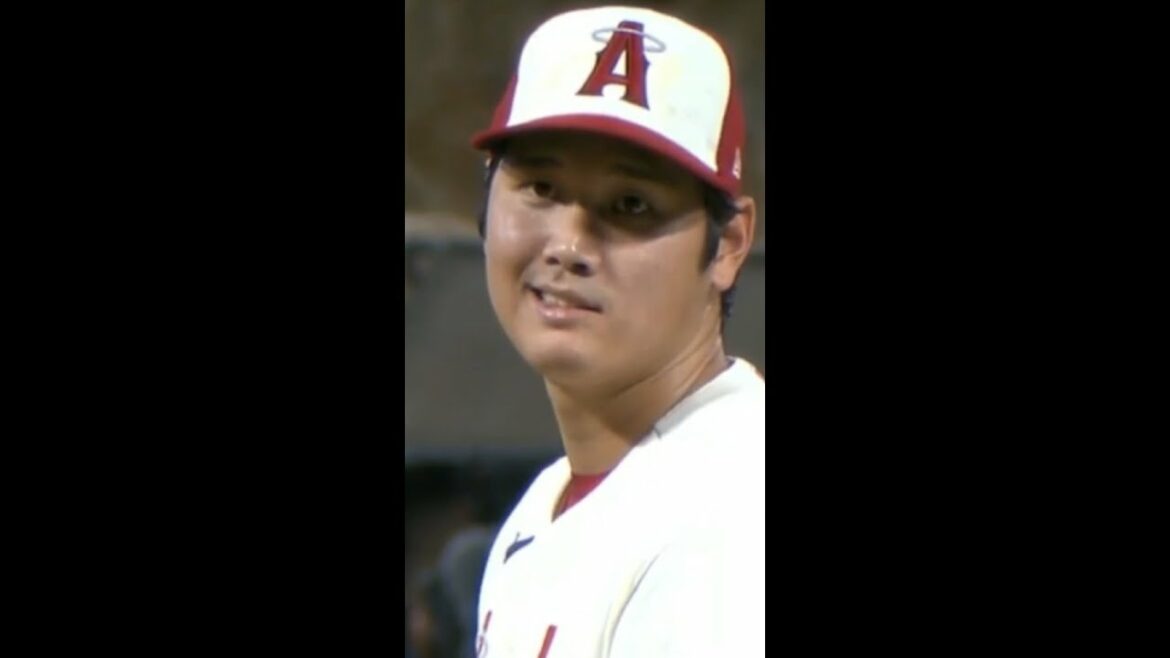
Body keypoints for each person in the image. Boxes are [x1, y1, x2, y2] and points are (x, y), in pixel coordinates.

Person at [468, 5, 764, 657]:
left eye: (631, 205)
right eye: (541, 187)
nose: (570, 245)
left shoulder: (733, 521)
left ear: (729, 245)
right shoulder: (552, 499)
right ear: (486, 198)